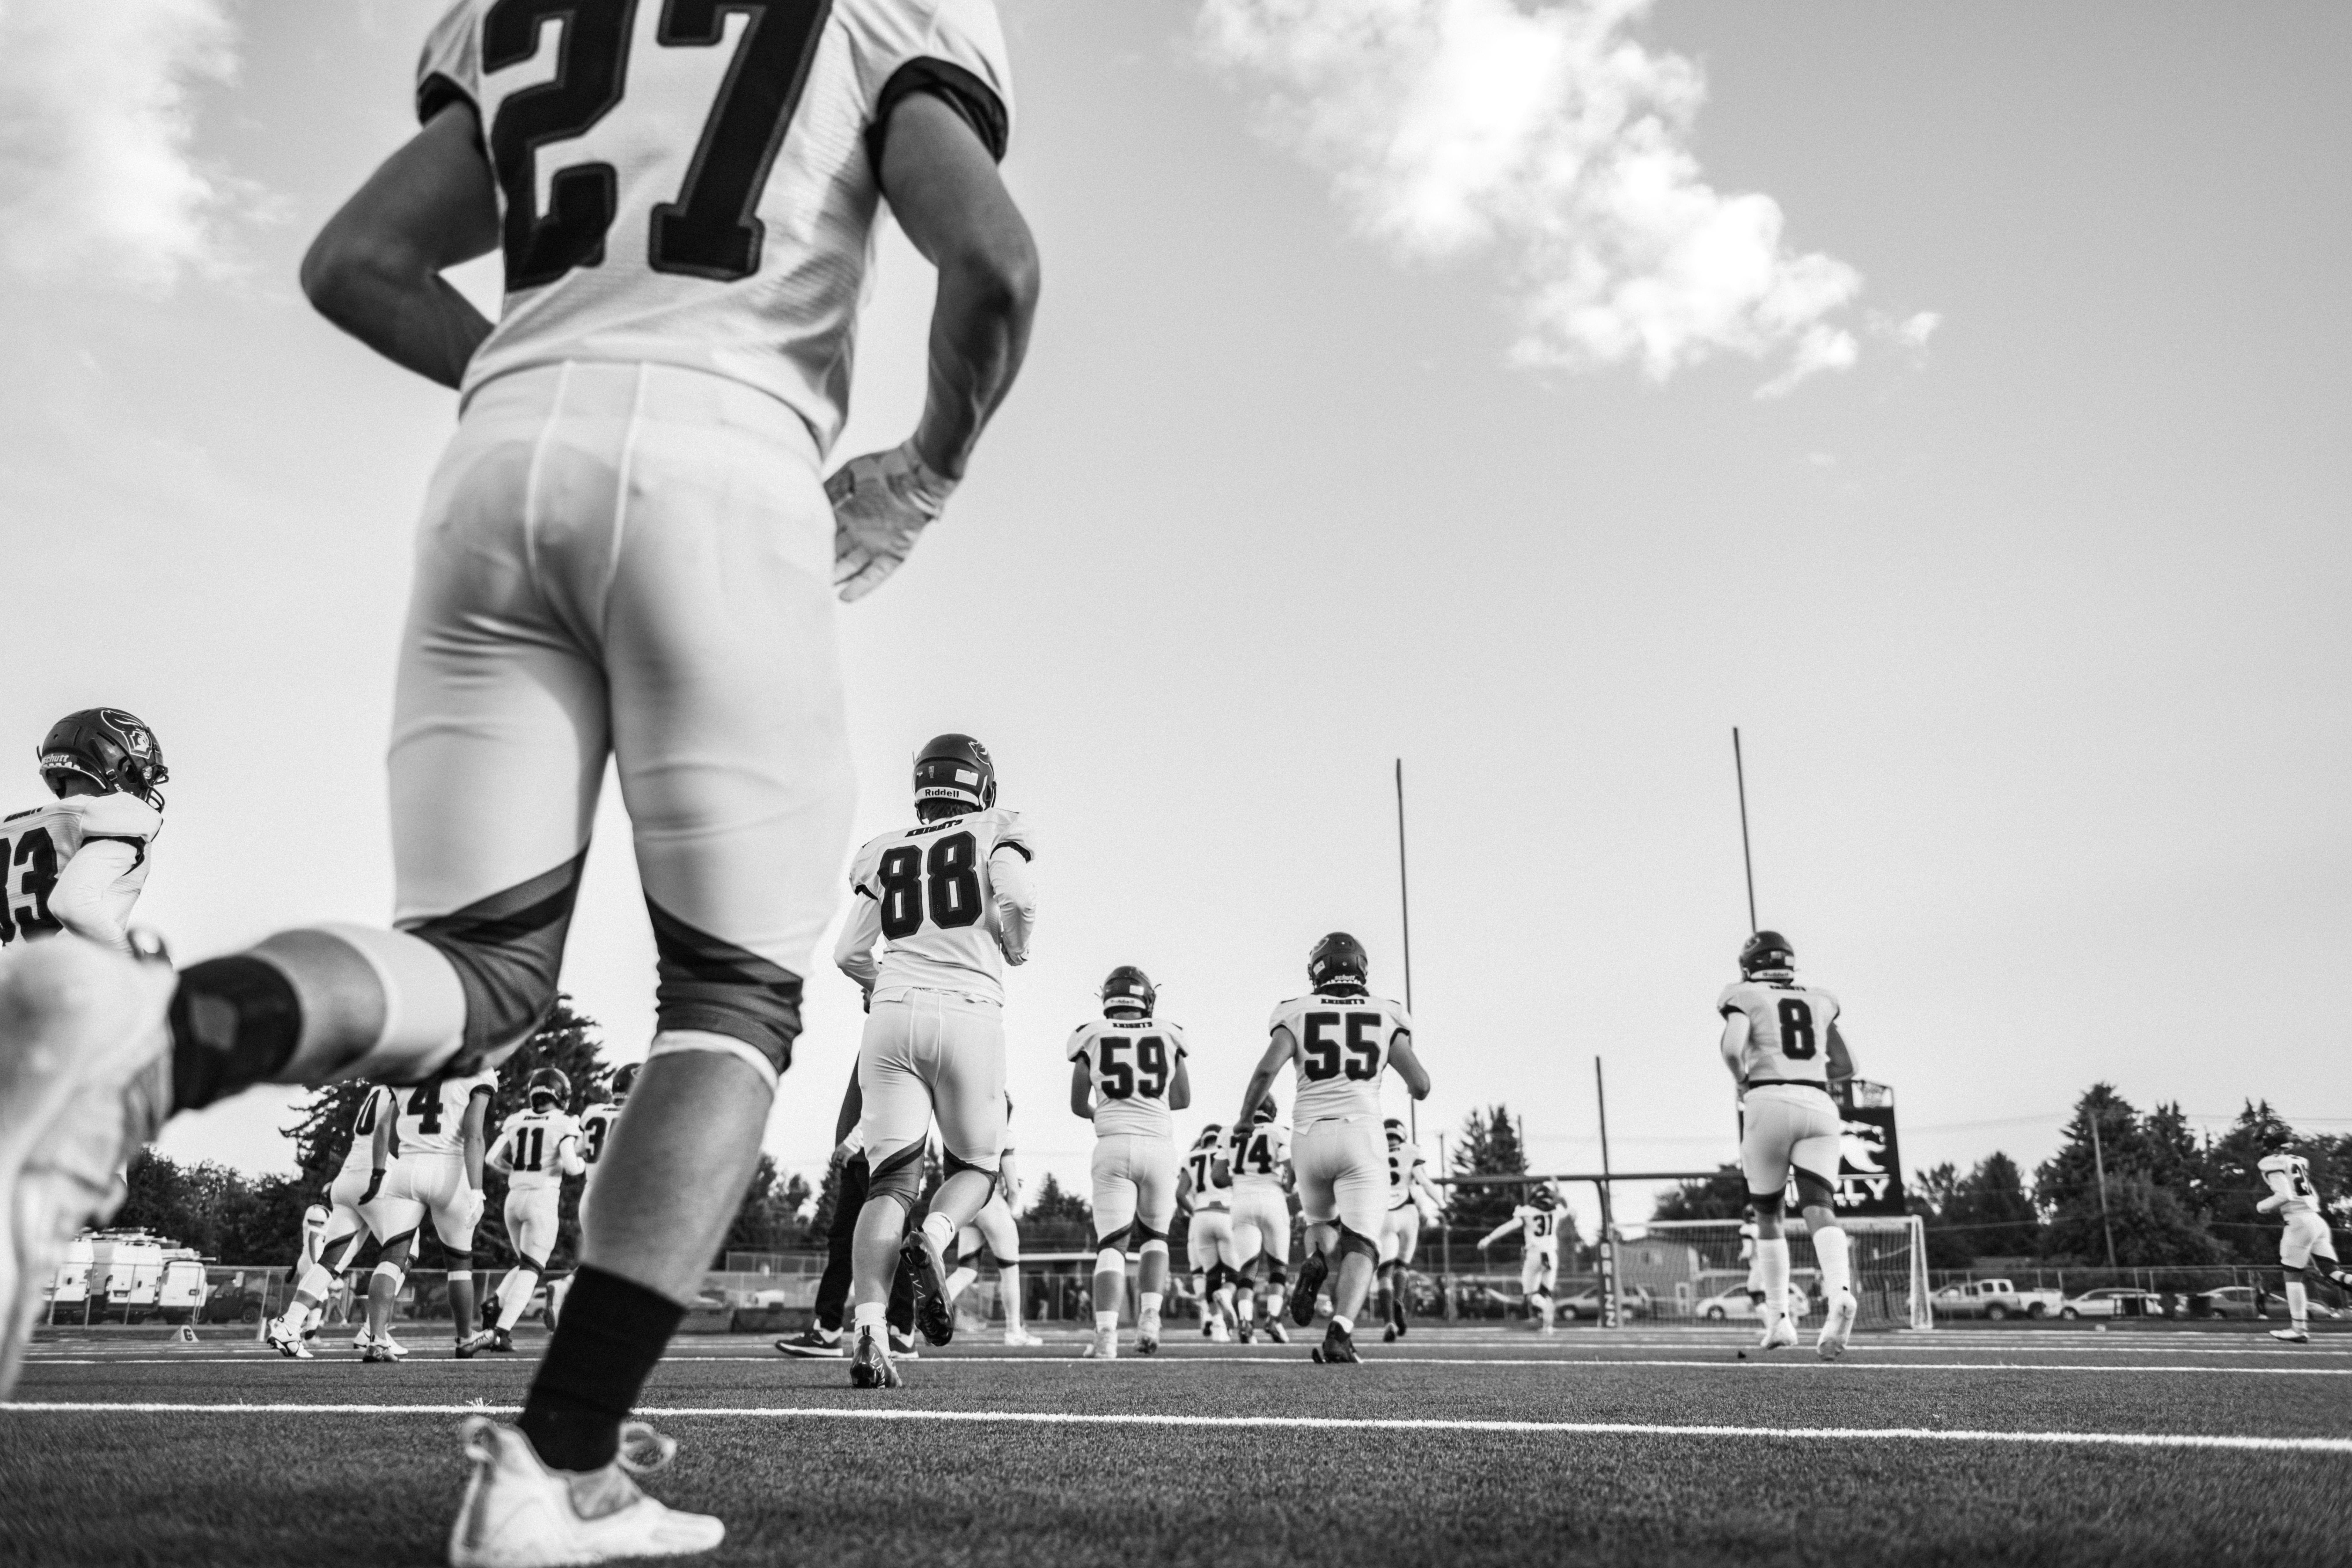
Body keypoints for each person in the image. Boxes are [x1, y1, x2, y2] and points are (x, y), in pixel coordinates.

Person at [0, 0, 1036, 1555]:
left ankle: (160, 1027)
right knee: (733, 1004)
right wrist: (924, 467)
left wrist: (552, 371)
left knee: (473, 966)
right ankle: (553, 1464)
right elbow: (995, 264)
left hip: (499, 470)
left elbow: (351, 261)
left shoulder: (513, 10)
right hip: (726, 459)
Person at [834, 734, 1035, 1388]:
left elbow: (848, 953)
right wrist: (1015, 948)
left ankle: (868, 1331)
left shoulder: (884, 850)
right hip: (971, 1010)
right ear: (983, 786)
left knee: (889, 1181)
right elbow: (1019, 902)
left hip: (892, 1015)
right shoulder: (996, 828)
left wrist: (877, 986)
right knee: (977, 1167)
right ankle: (939, 1237)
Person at [1235, 932, 1429, 1365]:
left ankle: (1317, 1259)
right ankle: (1339, 1332)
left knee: (1321, 1223)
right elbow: (1420, 1085)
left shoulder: (1295, 1011)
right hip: (1361, 1133)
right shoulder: (1387, 1012)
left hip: (1308, 1134)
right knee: (1362, 1241)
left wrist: (1246, 1118)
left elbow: (1267, 1068)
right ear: (1361, 968)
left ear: (1316, 970)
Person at [1718, 929, 1859, 1359]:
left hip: (1768, 1100)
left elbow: (1730, 1048)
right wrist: (1807, 1078)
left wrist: (1744, 1079)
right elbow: (1847, 1065)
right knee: (1819, 1206)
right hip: (1819, 1105)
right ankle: (1840, 1292)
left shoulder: (1743, 995)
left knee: (1768, 1213)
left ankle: (1779, 1320)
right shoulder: (1819, 998)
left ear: (1749, 966)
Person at [1067, 965, 1190, 1358]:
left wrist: (1103, 1113)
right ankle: (1150, 1317)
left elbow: (1076, 1103)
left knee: (1111, 1244)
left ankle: (1106, 1335)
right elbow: (1183, 1098)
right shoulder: (1169, 1034)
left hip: (1112, 1143)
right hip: (1158, 1144)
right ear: (1146, 1001)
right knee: (1155, 1237)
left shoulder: (1091, 1034)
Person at [775, 1064, 918, 1359]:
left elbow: (885, 1092)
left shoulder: (888, 1023)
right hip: (860, 1159)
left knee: (892, 1239)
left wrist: (854, 1140)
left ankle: (902, 1331)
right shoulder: (877, 1027)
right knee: (842, 1240)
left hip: (876, 1155)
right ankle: (827, 1329)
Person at [0, 710, 168, 954]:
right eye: (148, 774)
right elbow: (72, 903)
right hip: (76, 976)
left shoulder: (7, 828)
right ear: (123, 767)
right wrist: (130, 958)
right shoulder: (121, 812)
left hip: (11, 981)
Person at [361, 1068, 496, 1360]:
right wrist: (477, 1190)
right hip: (451, 1170)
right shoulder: (479, 1072)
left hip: (407, 1167)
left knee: (391, 1257)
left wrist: (379, 1172)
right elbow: (474, 1136)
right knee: (460, 1264)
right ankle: (464, 1339)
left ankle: (377, 1340)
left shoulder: (414, 1064)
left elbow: (384, 1127)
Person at [267, 1083, 396, 1358]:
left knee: (332, 1260)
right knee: (405, 1251)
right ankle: (375, 1332)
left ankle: (289, 1326)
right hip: (376, 1174)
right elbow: (388, 1131)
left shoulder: (379, 1089)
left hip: (348, 1177)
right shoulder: (409, 1083)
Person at [483, 1068, 584, 1350]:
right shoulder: (564, 1123)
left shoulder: (516, 1120)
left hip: (514, 1199)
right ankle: (502, 1332)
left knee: (525, 1264)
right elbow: (572, 1167)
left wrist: (513, 1170)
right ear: (562, 1095)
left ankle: (496, 1302)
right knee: (532, 1269)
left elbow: (492, 1158)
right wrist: (584, 1162)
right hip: (542, 1199)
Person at [943, 1093, 1040, 1346]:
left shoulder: (964, 1132)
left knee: (966, 1271)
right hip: (992, 1201)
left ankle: (933, 1313)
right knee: (1010, 1270)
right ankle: (1013, 1331)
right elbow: (1013, 1187)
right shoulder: (1003, 1135)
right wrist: (1007, 1211)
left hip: (968, 1203)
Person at [2258, 1146, 2352, 1343]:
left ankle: (2298, 1328)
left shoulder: (2273, 1162)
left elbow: (2284, 1196)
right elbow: (2314, 1198)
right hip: (2317, 1221)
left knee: (2292, 1276)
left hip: (2298, 1223)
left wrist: (2262, 1206)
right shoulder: (2298, 1161)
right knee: (2332, 1273)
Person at [1226, 1101, 1294, 1343]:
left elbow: (1217, 1175)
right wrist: (1289, 1185)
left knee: (1248, 1269)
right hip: (1272, 1199)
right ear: (1273, 1112)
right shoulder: (1279, 1132)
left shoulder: (1230, 1133)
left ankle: (1245, 1321)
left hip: (1241, 1202)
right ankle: (1273, 1319)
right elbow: (1290, 1164)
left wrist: (1241, 1174)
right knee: (1278, 1267)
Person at [1374, 1119, 1440, 1341]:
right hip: (1408, 1212)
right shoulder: (1411, 1151)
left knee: (1384, 1271)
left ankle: (1388, 1323)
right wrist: (1443, 1205)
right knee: (1402, 1266)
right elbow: (1423, 1181)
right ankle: (1399, 1300)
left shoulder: (1373, 1150)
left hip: (1383, 1213)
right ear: (1402, 1135)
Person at [1477, 1181, 1566, 1332]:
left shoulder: (1527, 1212)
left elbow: (1508, 1227)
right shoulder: (1557, 1211)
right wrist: (1558, 1189)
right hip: (1552, 1255)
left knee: (1530, 1296)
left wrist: (1489, 1238)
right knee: (1546, 1293)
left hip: (1535, 1254)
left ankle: (1544, 1308)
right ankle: (1548, 1326)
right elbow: (1566, 1207)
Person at [1180, 1123, 1238, 1341]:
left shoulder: (1190, 1158)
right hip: (1226, 1213)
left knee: (1210, 1274)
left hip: (1201, 1216)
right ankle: (1227, 1294)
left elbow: (1180, 1195)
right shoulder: (1228, 1155)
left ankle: (1217, 1325)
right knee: (1234, 1272)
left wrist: (1194, 1214)